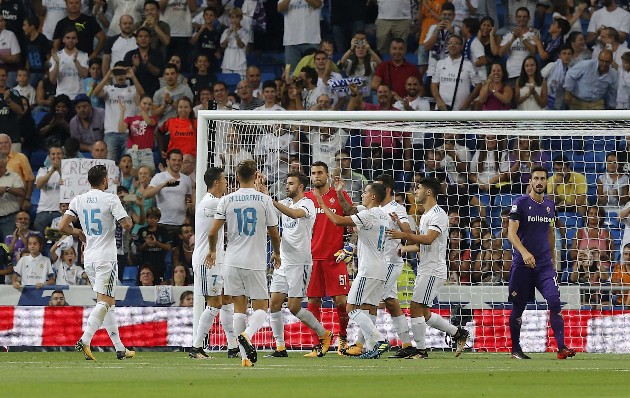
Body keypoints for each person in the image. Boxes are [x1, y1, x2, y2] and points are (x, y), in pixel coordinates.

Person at [205, 160, 281, 367]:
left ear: (236, 177)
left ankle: (245, 358)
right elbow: (274, 233)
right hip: (254, 260)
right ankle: (247, 335)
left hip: (231, 261)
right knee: (261, 307)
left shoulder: (227, 200)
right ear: (256, 176)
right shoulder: (264, 200)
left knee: (239, 308)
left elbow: (213, 232)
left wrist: (212, 250)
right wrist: (276, 253)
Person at [386, 176, 470, 359]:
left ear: (429, 192)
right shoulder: (425, 215)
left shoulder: (438, 214)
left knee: (415, 307)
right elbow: (421, 244)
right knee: (423, 313)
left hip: (433, 269)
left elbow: (429, 239)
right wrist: (405, 244)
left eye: (418, 188)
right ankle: (458, 333)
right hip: (425, 267)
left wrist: (402, 233)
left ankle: (421, 351)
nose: (415, 191)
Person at [58, 164, 135, 361]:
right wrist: (125, 218)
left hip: (89, 258)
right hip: (106, 257)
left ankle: (119, 348)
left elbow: (62, 226)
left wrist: (78, 233)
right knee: (106, 301)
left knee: (108, 303)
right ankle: (85, 339)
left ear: (88, 181)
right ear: (104, 180)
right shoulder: (110, 198)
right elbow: (127, 224)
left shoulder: (78, 199)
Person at [335, 174, 415, 357]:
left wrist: (398, 230)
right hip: (377, 262)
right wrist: (352, 245)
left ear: (384, 190)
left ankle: (390, 343)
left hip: (388, 262)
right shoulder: (371, 209)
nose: (366, 192)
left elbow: (408, 233)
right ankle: (368, 345)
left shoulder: (397, 209)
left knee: (380, 302)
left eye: (372, 188)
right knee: (371, 304)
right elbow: (350, 210)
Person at [256, 172, 333, 358]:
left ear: (300, 187)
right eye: (286, 183)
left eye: (291, 183)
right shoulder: (286, 202)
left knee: (294, 307)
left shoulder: (307, 203)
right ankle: (280, 347)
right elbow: (269, 209)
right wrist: (261, 191)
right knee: (274, 304)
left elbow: (294, 214)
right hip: (283, 261)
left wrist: (270, 200)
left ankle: (324, 334)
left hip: (300, 263)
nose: (287, 186)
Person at [313, 182, 391, 359]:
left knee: (351, 307)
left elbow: (337, 220)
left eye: (364, 193)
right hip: (380, 267)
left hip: (368, 268)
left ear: (372, 197)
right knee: (369, 307)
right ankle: (372, 348)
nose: (362, 195)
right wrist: (340, 194)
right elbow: (349, 209)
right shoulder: (382, 214)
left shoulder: (368, 215)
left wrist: (322, 203)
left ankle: (379, 340)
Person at [506, 165, 576, 359]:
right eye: (536, 178)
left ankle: (561, 348)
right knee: (518, 306)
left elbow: (551, 233)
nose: (539, 182)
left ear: (547, 181)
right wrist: (524, 253)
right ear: (530, 181)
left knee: (554, 301)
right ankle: (515, 349)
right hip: (523, 264)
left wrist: (553, 260)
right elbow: (511, 234)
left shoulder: (550, 206)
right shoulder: (520, 203)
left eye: (543, 178)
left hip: (544, 265)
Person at [189, 167, 239, 359]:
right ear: (216, 183)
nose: (227, 183)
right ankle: (196, 347)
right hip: (206, 260)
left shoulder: (215, 202)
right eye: (225, 180)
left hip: (218, 259)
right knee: (214, 303)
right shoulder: (211, 203)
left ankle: (233, 347)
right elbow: (234, 208)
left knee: (227, 300)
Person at [304, 161, 352, 355]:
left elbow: (351, 215)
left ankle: (343, 338)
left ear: (327, 176)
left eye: (320, 173)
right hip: (312, 258)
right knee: (313, 301)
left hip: (335, 257)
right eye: (313, 173)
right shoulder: (306, 198)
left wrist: (340, 194)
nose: (316, 176)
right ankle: (319, 342)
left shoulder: (337, 195)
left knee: (341, 301)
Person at [144, 149, 194, 242]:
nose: (177, 163)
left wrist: (189, 213)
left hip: (181, 224)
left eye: (179, 160)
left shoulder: (187, 179)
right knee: (163, 254)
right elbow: (146, 195)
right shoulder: (159, 177)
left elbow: (188, 200)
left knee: (178, 254)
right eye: (174, 160)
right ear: (167, 161)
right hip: (162, 222)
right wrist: (163, 184)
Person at [431, 34, 481, 110]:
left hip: (461, 111)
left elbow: (478, 85)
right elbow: (434, 85)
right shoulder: (440, 63)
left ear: (461, 47)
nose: (452, 45)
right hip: (442, 109)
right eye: (450, 43)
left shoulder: (469, 64)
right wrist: (438, 100)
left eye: (456, 43)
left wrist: (468, 101)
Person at [50, 27, 89, 100]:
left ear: (77, 40)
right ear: (63, 40)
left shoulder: (84, 55)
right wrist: (57, 64)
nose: (71, 40)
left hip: (79, 97)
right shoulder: (56, 56)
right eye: (68, 38)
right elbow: (52, 80)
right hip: (61, 96)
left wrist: (76, 61)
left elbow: (84, 75)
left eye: (73, 38)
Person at [0, 153, 25, 239]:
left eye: (1, 167)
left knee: (9, 246)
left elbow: (22, 192)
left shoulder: (14, 176)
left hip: (9, 218)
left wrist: (7, 189)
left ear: (5, 164)